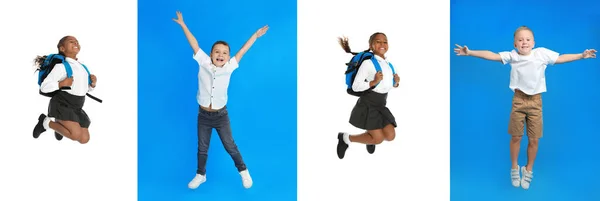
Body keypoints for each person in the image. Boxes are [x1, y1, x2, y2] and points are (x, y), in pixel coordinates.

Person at [454, 25, 597, 190]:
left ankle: (528, 169)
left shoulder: (541, 54)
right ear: (515, 44)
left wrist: (582, 55)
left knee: (534, 139)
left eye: (528, 39)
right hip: (519, 100)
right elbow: (492, 55)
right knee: (516, 137)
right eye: (520, 40)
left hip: (536, 102)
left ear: (533, 42)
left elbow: (561, 58)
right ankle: (514, 167)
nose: (524, 42)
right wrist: (470, 52)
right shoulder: (513, 56)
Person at [172, 11, 268, 189]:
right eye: (217, 51)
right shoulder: (203, 62)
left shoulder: (230, 67)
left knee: (230, 145)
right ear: (210, 54)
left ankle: (244, 171)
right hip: (203, 115)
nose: (220, 55)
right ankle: (200, 175)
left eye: (225, 53)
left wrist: (255, 35)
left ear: (228, 56)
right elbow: (194, 43)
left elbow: (243, 51)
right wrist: (184, 25)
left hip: (221, 115)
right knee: (202, 147)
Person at [336, 32, 400, 159]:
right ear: (371, 45)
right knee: (378, 139)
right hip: (368, 104)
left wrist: (396, 83)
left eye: (385, 42)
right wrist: (373, 82)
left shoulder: (389, 65)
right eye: (378, 41)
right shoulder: (368, 64)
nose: (382, 44)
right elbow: (356, 86)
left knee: (390, 136)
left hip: (381, 104)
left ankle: (369, 137)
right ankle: (345, 138)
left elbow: (386, 85)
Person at [32, 36, 98, 144]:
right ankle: (45, 122)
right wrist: (61, 84)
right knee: (75, 134)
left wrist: (92, 85)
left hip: (77, 106)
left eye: (77, 41)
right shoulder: (61, 67)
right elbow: (44, 87)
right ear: (62, 48)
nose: (76, 43)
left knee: (84, 139)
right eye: (71, 42)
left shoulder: (83, 67)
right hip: (63, 103)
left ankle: (60, 124)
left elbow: (83, 89)